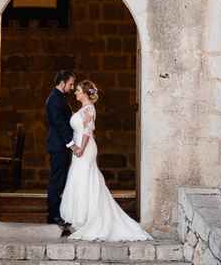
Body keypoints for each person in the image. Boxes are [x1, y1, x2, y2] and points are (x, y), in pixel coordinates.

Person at [59, 80, 152, 241]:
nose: (76, 92)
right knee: (80, 180)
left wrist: (80, 148)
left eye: (78, 90)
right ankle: (85, 218)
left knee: (86, 180)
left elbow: (87, 131)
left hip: (85, 148)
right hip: (79, 147)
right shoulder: (83, 108)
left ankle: (92, 219)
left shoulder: (88, 109)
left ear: (85, 93)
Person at [45, 70, 80, 228]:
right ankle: (54, 216)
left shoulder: (60, 98)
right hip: (58, 146)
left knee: (61, 179)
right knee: (57, 181)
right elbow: (60, 124)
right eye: (71, 84)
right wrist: (71, 144)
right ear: (62, 82)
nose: (72, 87)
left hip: (61, 146)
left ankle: (58, 213)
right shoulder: (54, 100)